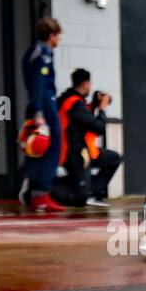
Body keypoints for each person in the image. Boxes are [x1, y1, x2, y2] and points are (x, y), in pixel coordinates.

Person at [52, 69, 122, 207]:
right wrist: (101, 109)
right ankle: (45, 186)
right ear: (85, 84)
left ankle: (91, 191)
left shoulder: (70, 100)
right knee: (78, 198)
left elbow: (82, 119)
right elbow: (97, 127)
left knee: (114, 158)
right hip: (75, 154)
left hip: (84, 151)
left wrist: (94, 105)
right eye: (89, 84)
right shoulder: (74, 104)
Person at [20, 17, 66, 212]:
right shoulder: (43, 54)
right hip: (45, 106)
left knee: (37, 150)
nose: (59, 40)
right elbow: (38, 84)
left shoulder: (32, 52)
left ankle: (35, 192)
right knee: (52, 148)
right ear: (51, 35)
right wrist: (39, 113)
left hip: (40, 105)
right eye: (58, 36)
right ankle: (41, 194)